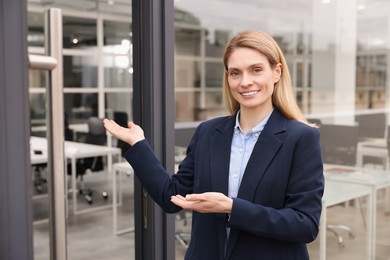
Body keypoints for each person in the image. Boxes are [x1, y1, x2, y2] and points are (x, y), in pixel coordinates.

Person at [103, 29, 324, 260]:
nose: (245, 82)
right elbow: (173, 196)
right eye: (235, 73)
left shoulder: (301, 137)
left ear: (276, 72)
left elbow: (305, 224)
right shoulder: (208, 132)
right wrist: (138, 144)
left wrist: (231, 207)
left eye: (256, 70)